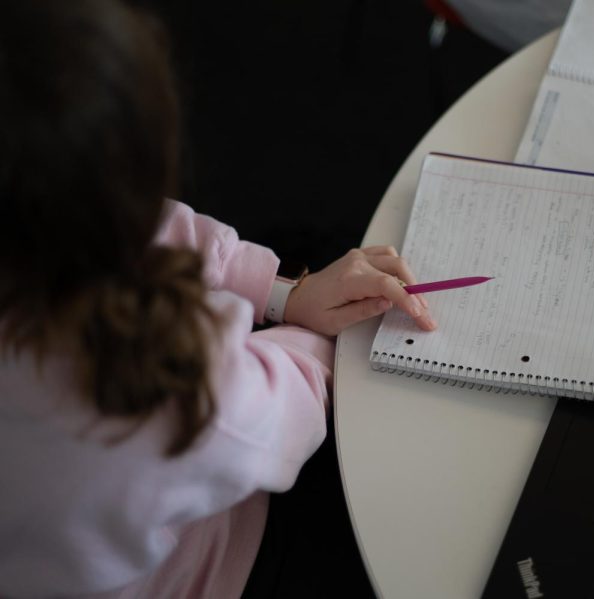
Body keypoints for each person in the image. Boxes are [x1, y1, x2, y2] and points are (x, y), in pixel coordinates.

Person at [0, 0, 435, 597]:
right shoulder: (155, 390)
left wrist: (284, 293)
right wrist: (330, 331)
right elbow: (282, 412)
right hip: (212, 560)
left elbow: (151, 227)